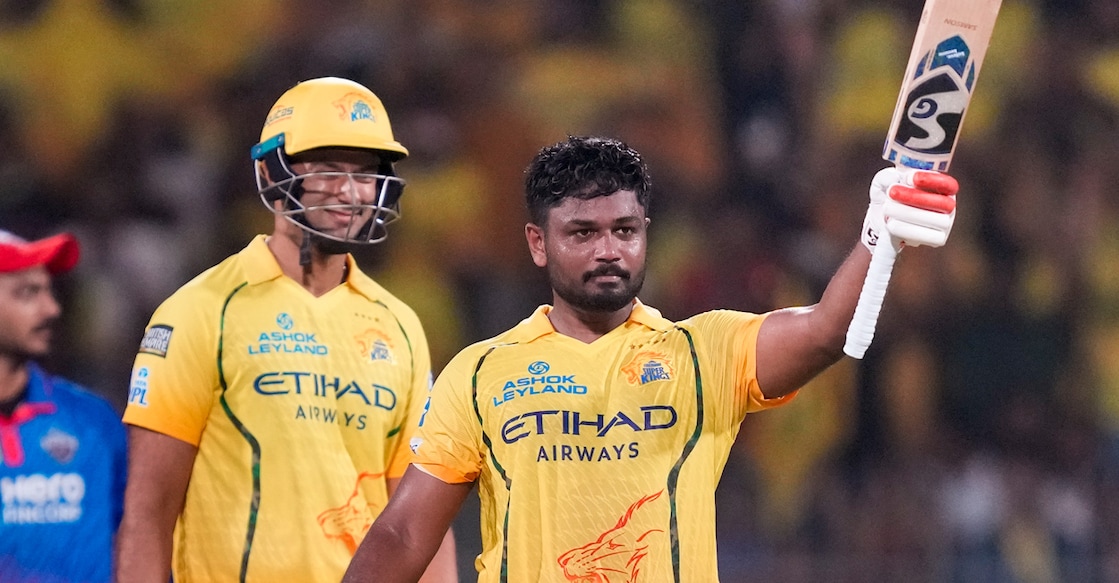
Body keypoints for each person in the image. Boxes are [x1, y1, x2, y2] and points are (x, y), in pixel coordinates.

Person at [342, 135, 959, 582]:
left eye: (625, 230)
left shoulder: (703, 352)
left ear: (646, 234)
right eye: (582, 233)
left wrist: (881, 233)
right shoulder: (480, 373)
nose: (608, 249)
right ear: (538, 244)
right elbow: (402, 535)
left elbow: (826, 329)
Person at [113, 77, 457, 583]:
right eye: (326, 170)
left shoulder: (399, 325)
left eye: (364, 173)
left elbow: (416, 524)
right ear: (268, 170)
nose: (351, 191)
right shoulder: (202, 311)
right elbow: (147, 513)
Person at [0, 229, 128, 583]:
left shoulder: (93, 422)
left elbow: (142, 540)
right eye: (28, 293)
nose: (51, 309)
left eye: (48, 291)